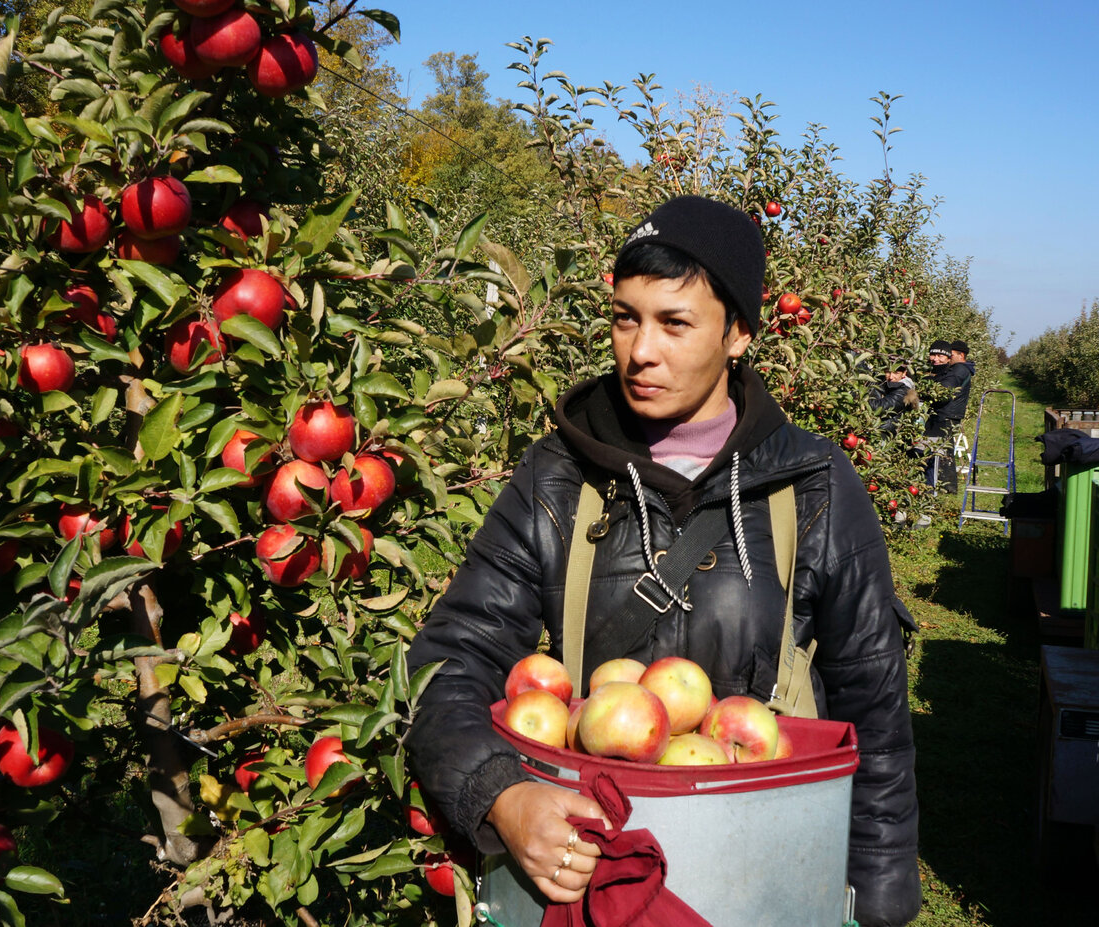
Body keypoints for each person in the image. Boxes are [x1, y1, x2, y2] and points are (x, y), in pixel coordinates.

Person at [406, 196, 921, 926]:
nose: (640, 350)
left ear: (738, 332)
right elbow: (448, 660)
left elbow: (874, 711)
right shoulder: (558, 478)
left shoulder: (813, 487)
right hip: (594, 883)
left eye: (674, 322)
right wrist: (501, 794)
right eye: (626, 317)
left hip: (757, 879)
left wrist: (878, 903)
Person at [922, 339, 972, 491]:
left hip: (946, 415)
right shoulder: (959, 370)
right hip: (949, 414)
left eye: (951, 354)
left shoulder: (959, 370)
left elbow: (944, 391)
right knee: (944, 452)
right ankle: (944, 487)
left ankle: (942, 487)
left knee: (940, 453)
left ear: (960, 355)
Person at [868, 363, 919, 434]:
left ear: (904, 374)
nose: (891, 377)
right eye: (888, 372)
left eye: (896, 373)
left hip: (885, 433)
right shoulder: (883, 383)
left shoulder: (904, 392)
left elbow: (877, 408)